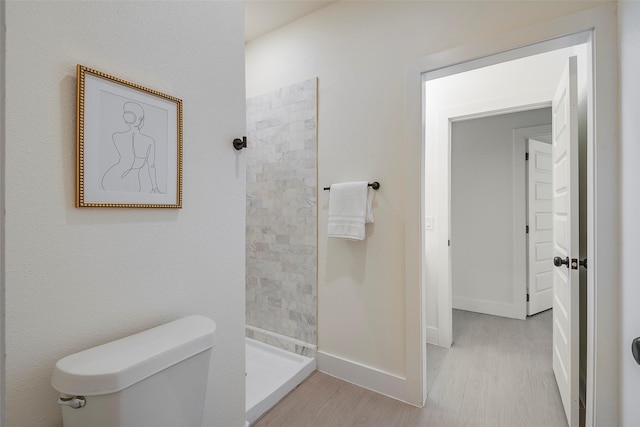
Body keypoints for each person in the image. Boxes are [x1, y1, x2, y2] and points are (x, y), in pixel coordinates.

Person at [101, 101, 161, 193]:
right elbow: (151, 166)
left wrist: (155, 188)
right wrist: (155, 187)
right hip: (126, 181)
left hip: (116, 179)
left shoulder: (117, 136)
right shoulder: (149, 141)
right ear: (140, 119)